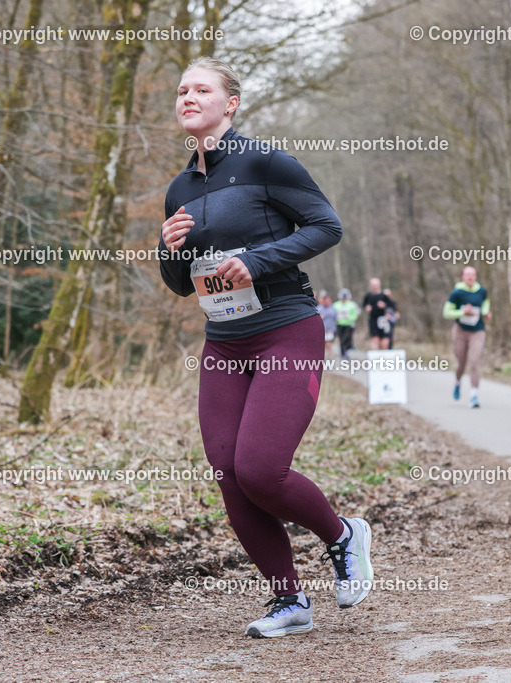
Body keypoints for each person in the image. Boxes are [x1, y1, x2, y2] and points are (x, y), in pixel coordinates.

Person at [158, 57, 373, 639]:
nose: (187, 97)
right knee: (229, 473)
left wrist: (256, 261)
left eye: (201, 89)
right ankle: (289, 601)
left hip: (286, 329)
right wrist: (169, 247)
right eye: (181, 90)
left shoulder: (267, 161)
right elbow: (181, 285)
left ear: (230, 103)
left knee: (260, 468)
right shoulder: (180, 186)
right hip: (224, 343)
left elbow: (326, 226)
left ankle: (343, 536)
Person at [443, 265, 491, 408]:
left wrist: (486, 312)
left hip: (477, 330)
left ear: (475, 276)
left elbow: (485, 305)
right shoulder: (457, 293)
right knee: (461, 364)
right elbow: (446, 313)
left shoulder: (482, 291)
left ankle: (474, 396)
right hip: (460, 331)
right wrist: (462, 312)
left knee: (474, 361)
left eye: (473, 275)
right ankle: (458, 382)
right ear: (463, 277)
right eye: (467, 275)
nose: (470, 277)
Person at [362, 278, 399, 350]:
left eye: (375, 285)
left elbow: (392, 306)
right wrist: (367, 307)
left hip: (384, 320)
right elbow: (364, 305)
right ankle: (376, 359)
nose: (374, 286)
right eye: (373, 285)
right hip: (373, 319)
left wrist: (384, 306)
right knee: (375, 339)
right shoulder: (368, 296)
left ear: (379, 285)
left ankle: (385, 358)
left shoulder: (384, 296)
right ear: (370, 286)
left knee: (384, 342)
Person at [332, 288, 360, 357]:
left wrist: (349, 318)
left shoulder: (351, 305)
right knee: (341, 339)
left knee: (348, 339)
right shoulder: (335, 305)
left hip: (349, 324)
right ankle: (343, 353)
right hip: (339, 324)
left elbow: (355, 315)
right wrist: (335, 318)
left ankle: (347, 349)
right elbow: (333, 314)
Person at [316, 290, 337, 357]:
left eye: (329, 301)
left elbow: (335, 317)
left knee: (329, 344)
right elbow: (316, 318)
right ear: (323, 301)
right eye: (326, 301)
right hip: (322, 329)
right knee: (324, 344)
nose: (327, 303)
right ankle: (324, 357)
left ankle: (329, 357)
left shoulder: (333, 308)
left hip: (330, 329)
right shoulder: (319, 308)